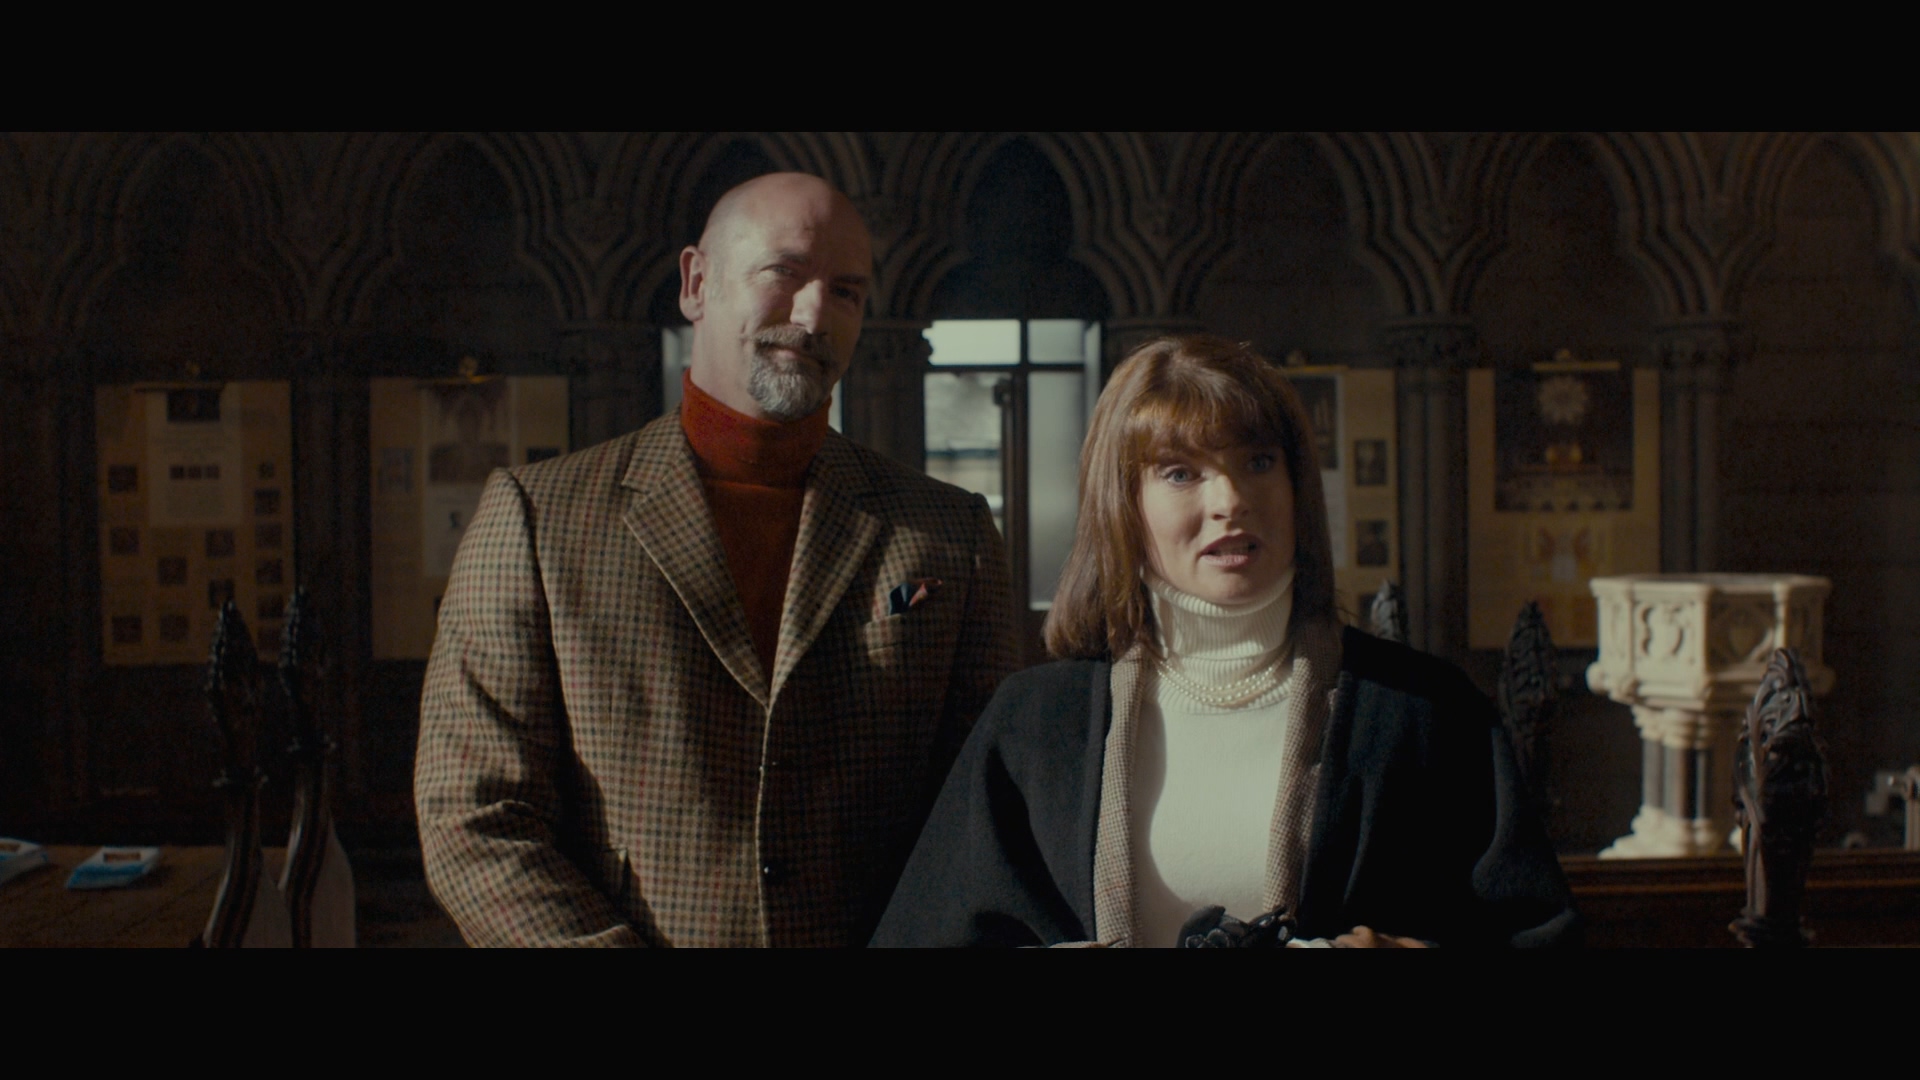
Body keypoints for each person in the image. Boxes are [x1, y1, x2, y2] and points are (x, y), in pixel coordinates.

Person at [415, 173, 1016, 947]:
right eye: (784, 273)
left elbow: (985, 813)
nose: (814, 315)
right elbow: (474, 815)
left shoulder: (948, 533)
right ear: (696, 283)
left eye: (846, 292)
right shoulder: (541, 520)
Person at [872, 335, 1576, 948]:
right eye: (1181, 473)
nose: (1231, 500)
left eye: (1259, 461)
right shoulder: (1034, 723)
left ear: (1297, 487)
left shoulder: (1424, 712)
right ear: (1123, 506)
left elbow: (1538, 937)